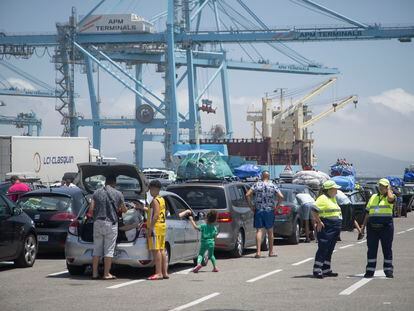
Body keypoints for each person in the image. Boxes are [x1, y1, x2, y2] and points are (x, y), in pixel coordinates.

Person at [87, 175, 127, 280]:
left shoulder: (96, 193)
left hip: (98, 222)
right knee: (108, 250)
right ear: (114, 183)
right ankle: (106, 274)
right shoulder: (118, 194)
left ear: (105, 183)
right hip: (111, 223)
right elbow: (124, 210)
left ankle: (94, 274)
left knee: (96, 249)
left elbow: (91, 209)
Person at [361, 178, 395, 278]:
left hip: (386, 227)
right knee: (371, 249)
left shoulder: (390, 196)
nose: (381, 188)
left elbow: (391, 199)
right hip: (372, 228)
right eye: (380, 186)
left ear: (387, 187)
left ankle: (388, 270)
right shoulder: (373, 197)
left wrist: (389, 190)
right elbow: (367, 213)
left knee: (387, 249)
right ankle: (370, 270)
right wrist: (363, 227)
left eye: (383, 186)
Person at [246, 171, 283, 258]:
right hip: (269, 210)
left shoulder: (256, 185)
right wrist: (277, 207)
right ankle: (271, 252)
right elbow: (281, 196)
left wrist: (251, 206)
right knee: (270, 231)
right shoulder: (272, 185)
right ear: (269, 177)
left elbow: (247, 194)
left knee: (259, 231)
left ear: (262, 176)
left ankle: (258, 252)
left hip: (259, 210)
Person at [312, 180, 342, 279]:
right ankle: (317, 269)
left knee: (330, 249)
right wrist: (319, 221)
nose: (337, 190)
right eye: (335, 188)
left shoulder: (332, 198)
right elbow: (314, 209)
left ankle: (326, 268)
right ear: (329, 190)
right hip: (327, 226)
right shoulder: (322, 198)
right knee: (323, 248)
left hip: (334, 227)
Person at [146, 179, 168, 280]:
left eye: (150, 189)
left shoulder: (154, 200)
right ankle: (164, 272)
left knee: (156, 250)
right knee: (162, 250)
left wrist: (150, 228)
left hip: (156, 226)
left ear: (154, 189)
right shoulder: (161, 199)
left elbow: (155, 215)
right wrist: (143, 208)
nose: (149, 191)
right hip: (162, 226)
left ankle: (158, 272)